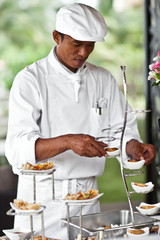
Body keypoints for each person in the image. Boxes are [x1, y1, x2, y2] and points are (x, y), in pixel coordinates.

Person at [5, 3, 155, 239]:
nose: (84, 53)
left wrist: (133, 146)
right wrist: (67, 142)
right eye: (76, 44)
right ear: (57, 37)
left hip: (88, 200)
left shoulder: (102, 79)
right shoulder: (30, 80)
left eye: (90, 45)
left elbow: (121, 130)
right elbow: (16, 150)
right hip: (42, 202)